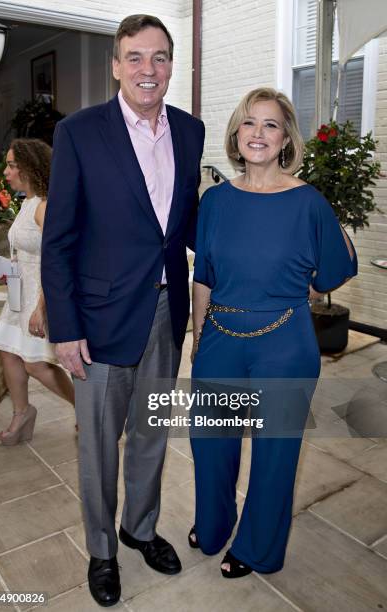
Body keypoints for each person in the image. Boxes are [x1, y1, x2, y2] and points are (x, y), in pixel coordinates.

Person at [41, 14, 205, 608]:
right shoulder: (81, 132)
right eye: (135, 57)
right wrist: (65, 328)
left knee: (152, 434)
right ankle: (102, 550)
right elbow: (59, 239)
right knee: (98, 444)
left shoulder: (191, 131)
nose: (148, 69)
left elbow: (183, 223)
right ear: (115, 65)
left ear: (171, 65)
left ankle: (140, 528)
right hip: (101, 316)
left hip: (167, 309)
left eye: (159, 57)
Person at [189, 88, 357, 578]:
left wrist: (306, 273)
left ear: (286, 139)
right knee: (210, 442)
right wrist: (198, 337)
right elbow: (204, 274)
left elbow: (335, 269)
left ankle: (258, 547)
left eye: (270, 125)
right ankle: (214, 523)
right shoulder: (216, 199)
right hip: (219, 333)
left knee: (275, 452)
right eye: (249, 123)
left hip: (284, 343)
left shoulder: (307, 202)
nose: (257, 134)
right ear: (236, 134)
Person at [0, 138, 75, 445]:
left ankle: (86, 409)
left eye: (12, 165)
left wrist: (43, 306)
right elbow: (24, 251)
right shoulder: (26, 202)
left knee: (36, 363)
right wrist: (6, 269)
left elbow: (59, 258)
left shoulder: (44, 207)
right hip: (19, 292)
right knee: (8, 350)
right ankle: (22, 414)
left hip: (41, 294)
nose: (7, 171)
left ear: (29, 167)